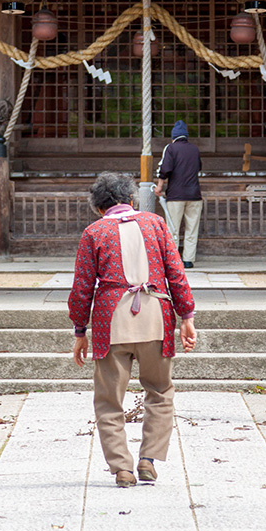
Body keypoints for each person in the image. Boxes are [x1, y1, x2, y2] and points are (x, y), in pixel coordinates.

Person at [68, 172, 196, 488]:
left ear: (99, 207)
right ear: (132, 200)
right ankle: (149, 460)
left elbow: (82, 288)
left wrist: (79, 331)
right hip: (156, 317)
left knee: (109, 399)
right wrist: (187, 317)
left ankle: (122, 468)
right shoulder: (155, 224)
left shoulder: (94, 232)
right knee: (160, 391)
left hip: (111, 322)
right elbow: (176, 274)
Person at [154, 119, 202, 268]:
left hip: (175, 195)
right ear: (186, 136)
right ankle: (188, 260)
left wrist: (159, 188)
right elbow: (199, 167)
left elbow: (165, 169)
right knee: (192, 228)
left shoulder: (171, 148)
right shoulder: (195, 149)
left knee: (173, 228)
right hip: (194, 195)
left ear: (173, 137)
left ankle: (173, 260)